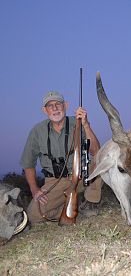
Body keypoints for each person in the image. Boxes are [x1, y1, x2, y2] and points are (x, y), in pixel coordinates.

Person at [20, 91, 102, 224]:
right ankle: (73, 205)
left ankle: (91, 202)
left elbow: (96, 151)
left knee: (101, 159)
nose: (55, 108)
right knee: (34, 216)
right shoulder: (37, 131)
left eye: (58, 104)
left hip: (82, 177)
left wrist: (86, 125)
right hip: (55, 181)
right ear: (44, 110)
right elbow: (28, 163)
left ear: (66, 105)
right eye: (50, 105)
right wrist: (34, 189)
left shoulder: (78, 122)